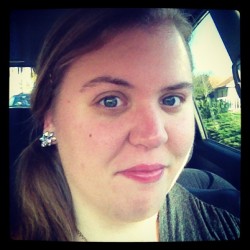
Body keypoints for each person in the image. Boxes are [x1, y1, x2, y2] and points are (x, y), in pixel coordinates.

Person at [11, 8, 240, 241]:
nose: (154, 135)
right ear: (50, 117)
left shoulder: (230, 220)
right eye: (110, 101)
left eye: (171, 99)